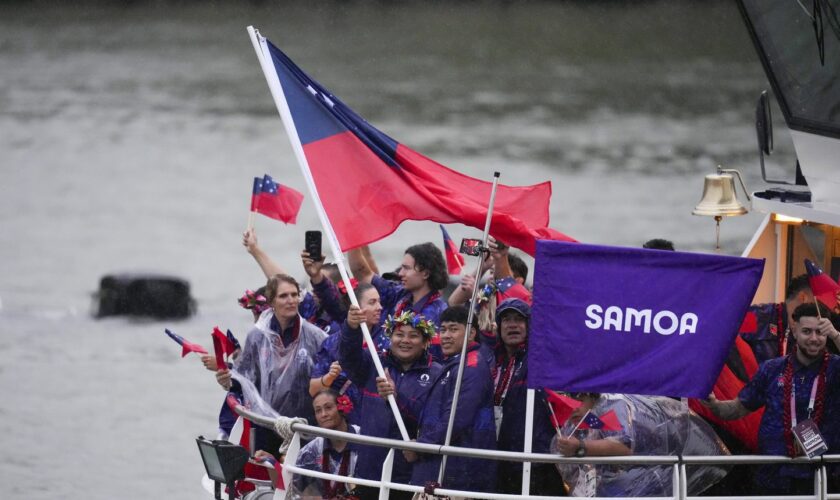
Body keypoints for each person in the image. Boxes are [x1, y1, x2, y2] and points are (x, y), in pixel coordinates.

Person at [703, 302, 840, 494]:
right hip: (772, 476)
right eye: (807, 331)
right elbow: (737, 408)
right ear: (794, 330)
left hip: (819, 477)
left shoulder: (835, 369)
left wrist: (836, 335)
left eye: (820, 332)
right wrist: (714, 405)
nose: (814, 338)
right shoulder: (772, 369)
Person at [378, 306, 497, 492]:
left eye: (454, 329)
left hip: (458, 472)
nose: (446, 335)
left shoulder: (471, 366)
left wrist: (421, 447)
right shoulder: (455, 364)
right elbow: (431, 414)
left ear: (472, 333)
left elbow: (456, 419)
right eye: (443, 330)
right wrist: (395, 397)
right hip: (444, 467)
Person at [216, 274, 327, 457]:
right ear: (271, 301)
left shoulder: (315, 337)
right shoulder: (257, 336)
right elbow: (245, 380)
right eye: (284, 296)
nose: (291, 300)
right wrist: (227, 380)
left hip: (303, 427)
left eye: (294, 294)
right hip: (265, 426)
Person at [339, 307, 442, 500]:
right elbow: (347, 358)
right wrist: (351, 328)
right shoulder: (374, 365)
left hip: (407, 477)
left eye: (413, 336)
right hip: (368, 472)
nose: (405, 340)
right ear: (390, 337)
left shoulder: (437, 374)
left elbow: (435, 422)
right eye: (399, 334)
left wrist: (397, 398)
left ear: (425, 342)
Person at [552, 393, 728, 497]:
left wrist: (580, 448)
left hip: (684, 459)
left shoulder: (613, 406)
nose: (572, 407)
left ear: (592, 396)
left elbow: (623, 446)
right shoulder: (579, 419)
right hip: (641, 467)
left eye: (579, 400)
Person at [491, 298, 565, 495]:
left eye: (519, 319)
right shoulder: (493, 360)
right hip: (501, 456)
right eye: (506, 320)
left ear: (530, 325)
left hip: (537, 459)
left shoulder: (540, 357)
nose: (513, 325)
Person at [348, 243, 448, 360]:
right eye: (402, 268)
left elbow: (431, 360)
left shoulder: (439, 314)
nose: (400, 274)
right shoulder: (397, 293)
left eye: (406, 268)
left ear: (425, 273)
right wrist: (350, 232)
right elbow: (362, 272)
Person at [308, 283, 389, 426]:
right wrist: (329, 377)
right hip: (344, 423)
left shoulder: (389, 340)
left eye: (379, 302)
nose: (379, 307)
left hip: (378, 419)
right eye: (372, 302)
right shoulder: (332, 342)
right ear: (354, 307)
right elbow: (313, 389)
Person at [291, 389, 360, 498]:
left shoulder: (363, 439)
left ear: (341, 407)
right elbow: (289, 485)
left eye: (328, 407)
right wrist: (272, 464)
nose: (323, 414)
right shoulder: (313, 449)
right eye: (318, 411)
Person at [740, 274, 813, 364]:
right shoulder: (757, 315)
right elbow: (729, 348)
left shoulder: (809, 335)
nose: (817, 311)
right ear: (803, 298)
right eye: (816, 303)